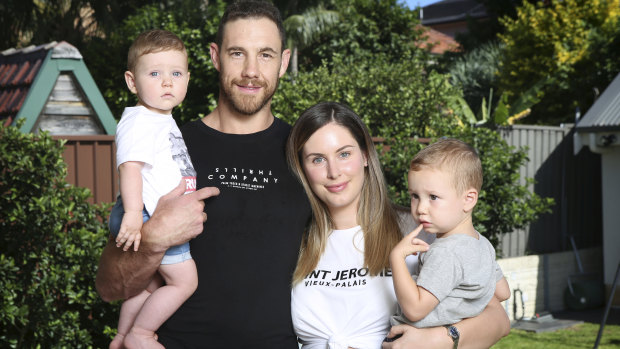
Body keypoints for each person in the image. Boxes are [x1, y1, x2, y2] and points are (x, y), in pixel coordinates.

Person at [96, 1, 312, 347]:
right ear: (215, 56)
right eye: (238, 53)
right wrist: (154, 238)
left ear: (284, 62)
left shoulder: (306, 154)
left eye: (266, 55)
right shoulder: (169, 148)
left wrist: (432, 331)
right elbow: (110, 287)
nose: (252, 71)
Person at [286, 102, 511, 348]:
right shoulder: (292, 238)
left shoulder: (421, 229)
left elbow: (498, 318)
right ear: (303, 168)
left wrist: (438, 339)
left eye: (344, 154)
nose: (334, 171)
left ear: (364, 156)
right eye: (317, 159)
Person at [106, 29, 199, 349]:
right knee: (185, 281)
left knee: (150, 283)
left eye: (175, 73)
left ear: (187, 78)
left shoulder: (160, 119)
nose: (167, 82)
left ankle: (121, 336)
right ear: (133, 82)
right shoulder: (140, 120)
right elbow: (130, 167)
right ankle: (141, 335)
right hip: (147, 216)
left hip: (148, 213)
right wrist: (134, 215)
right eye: (155, 73)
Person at [389, 139, 511, 335]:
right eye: (415, 196)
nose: (420, 208)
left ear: (468, 199)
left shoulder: (446, 252)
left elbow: (414, 310)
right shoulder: (483, 245)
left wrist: (396, 258)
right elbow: (503, 292)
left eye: (433, 197)